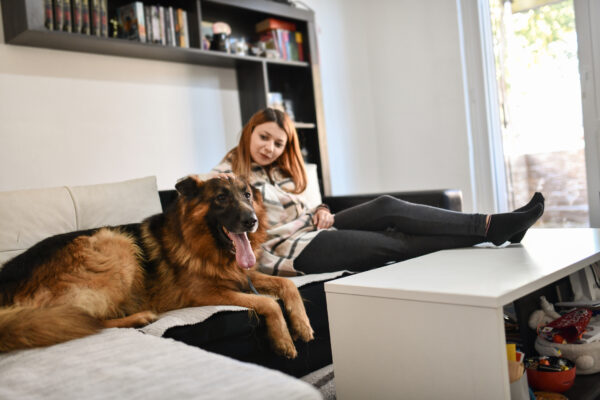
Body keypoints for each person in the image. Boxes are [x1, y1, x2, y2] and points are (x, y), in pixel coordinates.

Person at [211, 108, 544, 276]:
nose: (270, 148)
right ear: (249, 133)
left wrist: (322, 209)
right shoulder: (225, 177)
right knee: (393, 242)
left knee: (386, 206)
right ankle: (492, 231)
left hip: (313, 226)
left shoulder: (283, 171)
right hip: (285, 248)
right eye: (264, 137)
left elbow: (306, 205)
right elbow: (217, 214)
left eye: (278, 143)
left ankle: (488, 225)